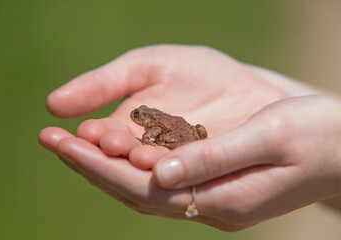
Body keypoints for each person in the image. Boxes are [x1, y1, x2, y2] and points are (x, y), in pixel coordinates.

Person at [38, 45, 341, 232]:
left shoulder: (154, 126)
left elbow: (154, 133)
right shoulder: (156, 118)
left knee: (154, 148)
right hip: (191, 129)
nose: (139, 119)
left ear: (148, 118)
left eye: (140, 116)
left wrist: (332, 154)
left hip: (181, 134)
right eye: (139, 116)